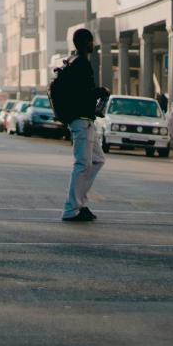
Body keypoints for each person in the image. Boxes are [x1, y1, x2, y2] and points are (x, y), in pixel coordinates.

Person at [50, 29, 108, 223]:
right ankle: (72, 209)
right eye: (91, 41)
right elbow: (82, 94)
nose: (93, 44)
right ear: (86, 43)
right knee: (82, 163)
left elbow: (80, 92)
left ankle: (80, 203)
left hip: (85, 120)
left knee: (97, 160)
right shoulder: (81, 63)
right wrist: (100, 91)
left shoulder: (74, 62)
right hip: (81, 120)